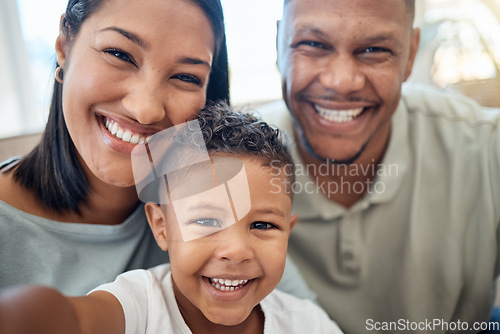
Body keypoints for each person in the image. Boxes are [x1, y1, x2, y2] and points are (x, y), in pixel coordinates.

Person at [0, 0, 314, 302]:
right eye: (119, 54)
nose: (146, 110)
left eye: (186, 77)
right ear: (64, 46)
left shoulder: (230, 210)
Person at [258, 0, 500, 333]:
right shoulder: (224, 167)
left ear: (411, 54)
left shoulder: (485, 148)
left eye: (374, 50)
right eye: (313, 44)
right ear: (278, 45)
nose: (341, 81)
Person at [0, 104, 343, 334]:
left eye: (263, 225)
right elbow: (76, 319)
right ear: (162, 227)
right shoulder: (140, 304)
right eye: (208, 221)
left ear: (289, 232)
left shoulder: (305, 323)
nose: (237, 250)